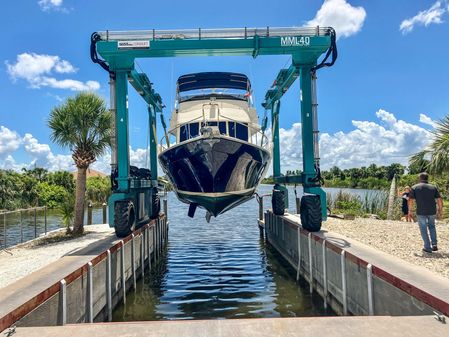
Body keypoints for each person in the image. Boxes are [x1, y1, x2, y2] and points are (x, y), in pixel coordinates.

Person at [408, 172, 443, 254]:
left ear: (420, 178)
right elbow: (439, 199)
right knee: (432, 227)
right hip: (432, 211)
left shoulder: (414, 187)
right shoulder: (433, 187)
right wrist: (440, 209)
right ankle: (434, 244)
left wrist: (410, 210)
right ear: (427, 178)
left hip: (421, 211)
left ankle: (427, 247)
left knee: (423, 229)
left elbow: (410, 200)